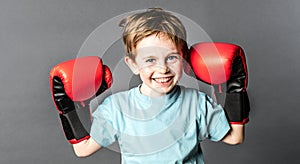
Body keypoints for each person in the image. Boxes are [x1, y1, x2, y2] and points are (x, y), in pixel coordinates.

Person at [50, 8, 249, 163]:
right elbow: (83, 149)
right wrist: (68, 108)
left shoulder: (197, 102)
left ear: (185, 58)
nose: (163, 69)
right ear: (133, 64)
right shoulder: (116, 107)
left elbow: (234, 137)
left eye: (171, 57)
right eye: (150, 60)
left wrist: (235, 89)